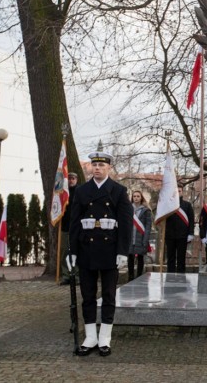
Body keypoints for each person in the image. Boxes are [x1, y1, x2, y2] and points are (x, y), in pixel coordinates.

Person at [68, 151, 132, 357]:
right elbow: (74, 224)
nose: (97, 168)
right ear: (90, 168)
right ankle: (90, 336)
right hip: (86, 250)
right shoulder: (81, 191)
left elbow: (125, 224)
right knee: (87, 295)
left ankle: (105, 337)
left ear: (109, 168)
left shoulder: (119, 191)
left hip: (109, 251)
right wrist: (73, 251)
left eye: (101, 165)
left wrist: (123, 251)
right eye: (94, 165)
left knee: (108, 296)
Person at [165, 186, 195, 273]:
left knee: (181, 258)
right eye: (176, 191)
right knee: (170, 258)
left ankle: (181, 276)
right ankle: (170, 276)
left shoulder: (187, 205)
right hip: (170, 235)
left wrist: (191, 233)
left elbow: (191, 220)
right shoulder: (168, 205)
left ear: (182, 192)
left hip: (183, 236)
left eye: (179, 191)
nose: (178, 193)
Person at [59, 172, 79, 285]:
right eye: (69, 179)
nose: (71, 180)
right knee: (65, 252)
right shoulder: (62, 193)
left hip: (77, 227)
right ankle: (66, 275)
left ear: (76, 180)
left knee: (77, 251)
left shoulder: (80, 191)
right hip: (65, 226)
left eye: (73, 178)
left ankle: (77, 276)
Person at [128, 190, 152, 281]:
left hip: (141, 237)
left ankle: (139, 277)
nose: (136, 198)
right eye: (134, 196)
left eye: (138, 196)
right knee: (130, 258)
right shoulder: (128, 209)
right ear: (132, 198)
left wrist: (145, 240)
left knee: (140, 258)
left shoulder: (146, 210)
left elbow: (148, 226)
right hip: (130, 238)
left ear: (141, 197)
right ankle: (130, 277)